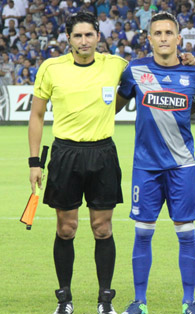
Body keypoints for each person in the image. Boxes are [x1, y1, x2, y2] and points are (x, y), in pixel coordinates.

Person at [28, 11, 127, 314]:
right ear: (68, 39)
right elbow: (37, 114)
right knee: (66, 228)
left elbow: (145, 78)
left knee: (103, 228)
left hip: (103, 153)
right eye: (78, 36)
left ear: (99, 35)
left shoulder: (117, 65)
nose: (84, 41)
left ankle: (105, 300)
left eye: (89, 35)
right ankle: (65, 299)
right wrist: (35, 162)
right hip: (65, 155)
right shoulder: (51, 68)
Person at [116, 12, 195, 314]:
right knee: (143, 232)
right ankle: (139, 301)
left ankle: (189, 302)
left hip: (181, 166)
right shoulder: (135, 70)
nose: (163, 38)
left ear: (178, 38)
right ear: (149, 38)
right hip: (145, 167)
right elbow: (112, 107)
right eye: (157, 33)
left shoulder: (194, 74)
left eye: (168, 33)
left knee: (186, 232)